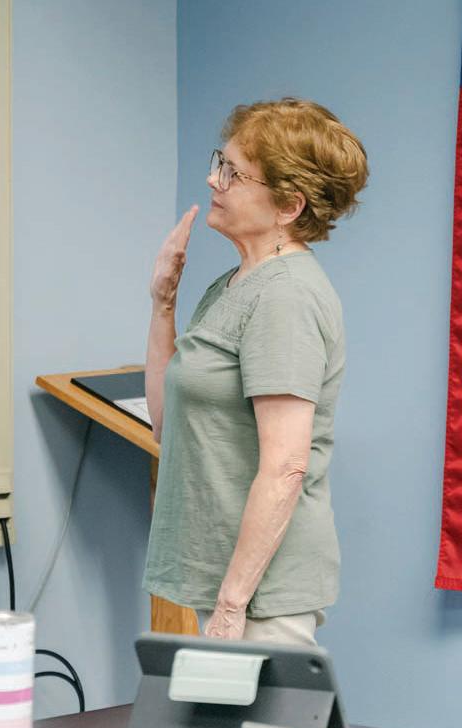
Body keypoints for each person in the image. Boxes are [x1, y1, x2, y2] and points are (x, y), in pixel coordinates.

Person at [142, 98, 368, 646]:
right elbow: (169, 427)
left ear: (288, 205)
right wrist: (164, 303)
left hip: (259, 596)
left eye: (233, 173)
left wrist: (231, 605)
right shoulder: (233, 285)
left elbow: (287, 466)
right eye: (220, 162)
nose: (213, 179)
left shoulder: (285, 296)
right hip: (225, 580)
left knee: (263, 709)